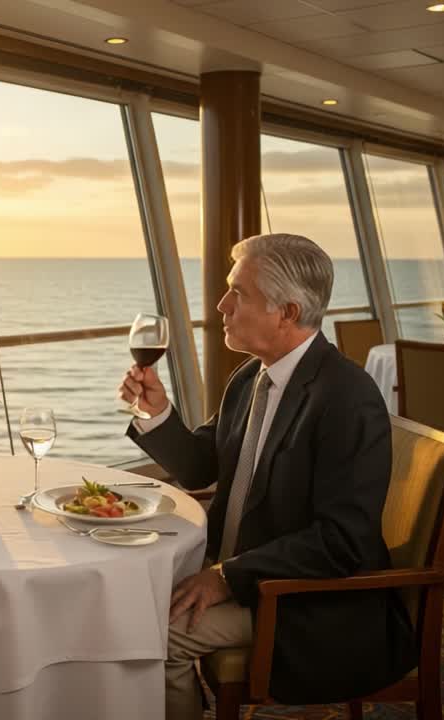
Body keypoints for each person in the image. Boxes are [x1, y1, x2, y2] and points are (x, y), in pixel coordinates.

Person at [119, 234, 415, 716]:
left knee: (157, 635)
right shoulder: (252, 377)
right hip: (242, 569)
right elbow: (201, 465)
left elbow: (341, 541)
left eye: (239, 293)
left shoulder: (346, 398)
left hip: (303, 600)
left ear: (288, 312)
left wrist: (226, 577)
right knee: (120, 594)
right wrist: (156, 412)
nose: (221, 305)